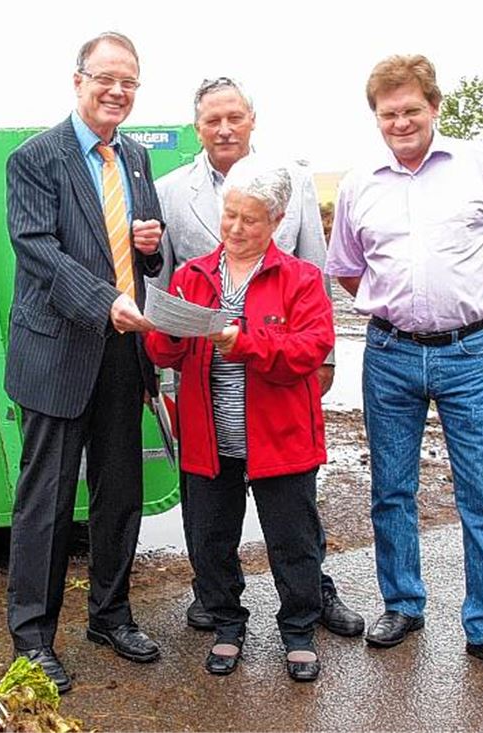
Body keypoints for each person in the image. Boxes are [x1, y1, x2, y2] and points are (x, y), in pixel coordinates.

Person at [325, 54, 483, 683]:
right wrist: (396, 308)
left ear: (434, 107)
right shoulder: (361, 180)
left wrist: (482, 312)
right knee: (391, 489)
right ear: (376, 117)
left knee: (482, 491)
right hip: (389, 354)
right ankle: (402, 605)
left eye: (411, 109)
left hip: (469, 353)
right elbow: (345, 267)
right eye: (388, 113)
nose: (401, 122)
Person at [150, 76, 363, 638]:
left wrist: (322, 366)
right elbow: (170, 285)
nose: (224, 128)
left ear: (251, 120)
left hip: (276, 374)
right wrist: (165, 356)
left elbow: (312, 274)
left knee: (292, 515)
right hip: (205, 386)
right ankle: (219, 606)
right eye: (211, 120)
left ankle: (311, 599)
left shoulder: (291, 180)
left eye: (234, 117)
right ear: (196, 126)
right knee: (210, 523)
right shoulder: (170, 190)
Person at [3, 31, 165, 694]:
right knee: (45, 499)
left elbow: (141, 247)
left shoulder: (134, 157)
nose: (117, 91)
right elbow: (36, 248)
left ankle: (110, 614)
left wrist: (151, 248)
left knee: (120, 490)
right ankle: (32, 637)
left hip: (124, 353)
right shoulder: (34, 159)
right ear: (78, 81)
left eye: (129, 81)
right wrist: (104, 301)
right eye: (106, 78)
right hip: (57, 351)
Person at [146, 157, 335, 682]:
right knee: (209, 540)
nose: (234, 228)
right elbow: (164, 352)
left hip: (281, 439)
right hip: (210, 438)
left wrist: (243, 342)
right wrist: (165, 328)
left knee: (292, 541)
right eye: (229, 215)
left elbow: (308, 350)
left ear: (276, 222)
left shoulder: (300, 279)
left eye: (249, 220)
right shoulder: (192, 274)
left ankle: (299, 630)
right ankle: (227, 624)